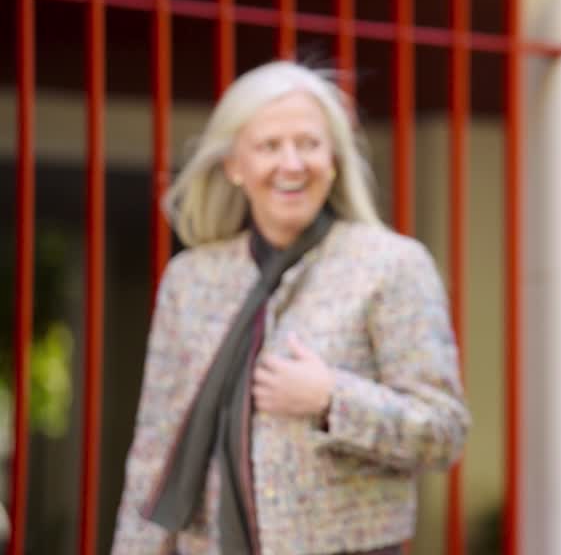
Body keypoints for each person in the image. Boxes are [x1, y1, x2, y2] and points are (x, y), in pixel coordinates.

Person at [111, 61, 470, 555]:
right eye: (269, 146)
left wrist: (331, 398)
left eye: (309, 144)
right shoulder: (190, 280)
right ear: (235, 166)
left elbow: (445, 430)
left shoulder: (391, 265)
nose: (292, 164)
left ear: (335, 159)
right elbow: (155, 446)